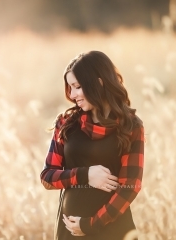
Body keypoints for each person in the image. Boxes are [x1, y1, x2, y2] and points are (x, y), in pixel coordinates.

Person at [40, 51, 144, 239]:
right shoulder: (65, 123)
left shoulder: (130, 125)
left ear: (99, 82)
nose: (72, 95)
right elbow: (48, 177)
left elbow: (130, 186)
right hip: (70, 232)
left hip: (113, 231)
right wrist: (85, 175)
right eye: (70, 88)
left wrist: (90, 224)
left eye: (77, 87)